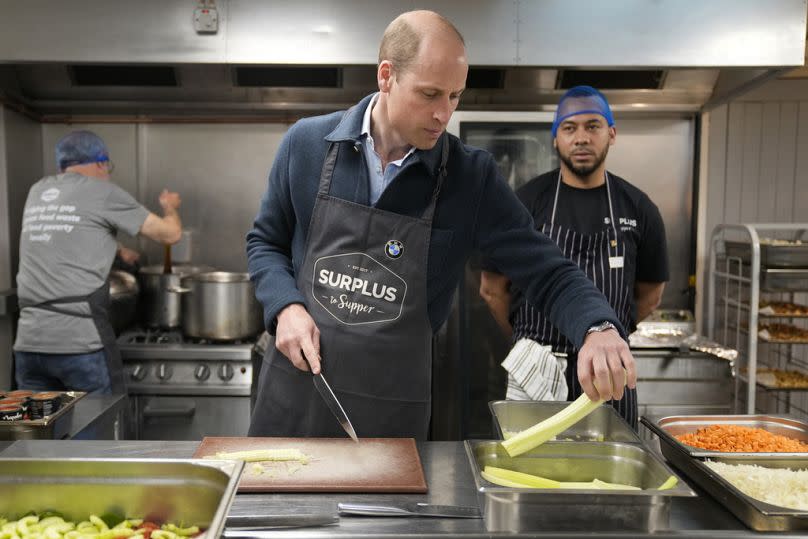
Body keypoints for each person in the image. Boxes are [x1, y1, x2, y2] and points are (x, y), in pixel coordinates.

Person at [246, 11, 638, 440]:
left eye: (454, 96)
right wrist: (285, 306)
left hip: (389, 412)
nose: (443, 115)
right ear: (386, 76)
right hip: (296, 391)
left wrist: (597, 328)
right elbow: (265, 242)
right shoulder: (307, 144)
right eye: (429, 94)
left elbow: (549, 272)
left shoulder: (470, 178)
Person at [479, 86, 669, 429]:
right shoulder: (525, 201)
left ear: (612, 133)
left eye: (593, 126)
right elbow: (492, 289)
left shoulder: (639, 209)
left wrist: (614, 334)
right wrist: (528, 339)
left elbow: (650, 296)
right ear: (555, 139)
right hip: (535, 368)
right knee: (529, 473)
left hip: (608, 374)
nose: (581, 138)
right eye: (569, 128)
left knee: (609, 474)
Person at [14, 130, 183, 394]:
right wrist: (170, 207)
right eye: (108, 167)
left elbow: (67, 230)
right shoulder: (102, 192)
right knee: (98, 430)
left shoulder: (39, 191)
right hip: (80, 343)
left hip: (28, 345)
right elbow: (170, 235)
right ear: (101, 163)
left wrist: (118, 250)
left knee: (37, 433)